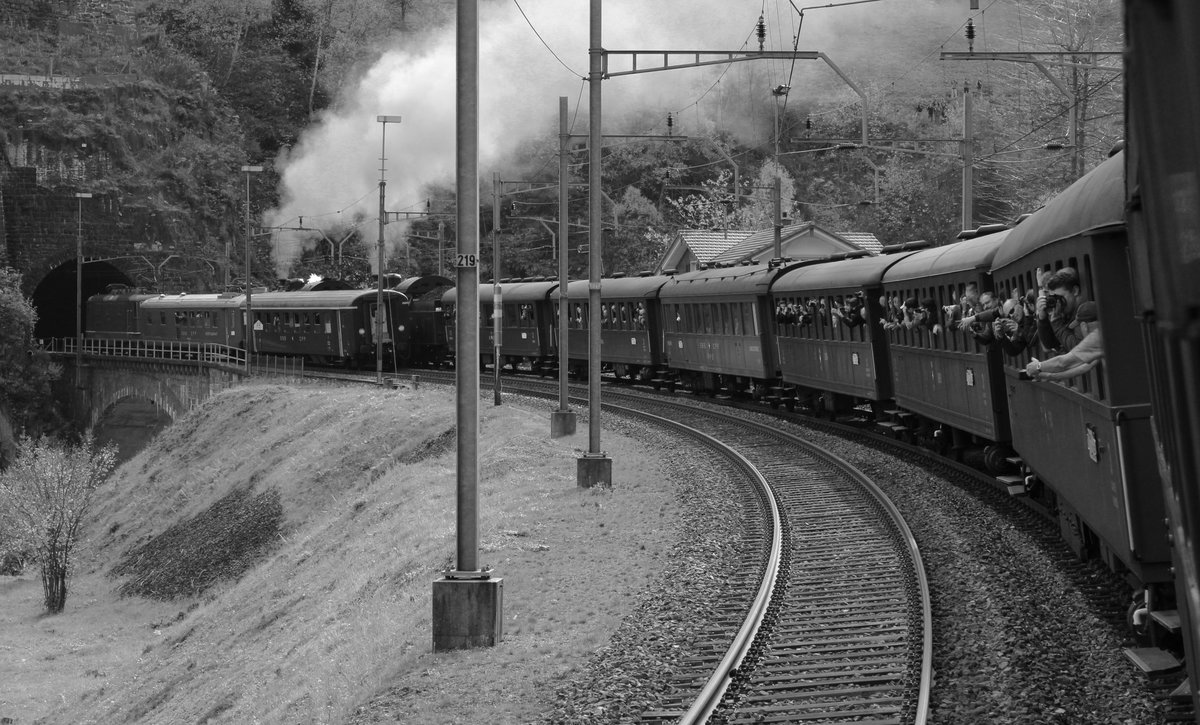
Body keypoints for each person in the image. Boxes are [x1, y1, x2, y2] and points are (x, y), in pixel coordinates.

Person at [1025, 302, 1102, 381]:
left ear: (1084, 326)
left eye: (1078, 327)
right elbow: (1083, 367)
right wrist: (1047, 375)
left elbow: (1063, 363)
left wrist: (1038, 367)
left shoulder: (1097, 337)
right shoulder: (1103, 335)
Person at [1036, 266, 1088, 352]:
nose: (1058, 302)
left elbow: (1079, 350)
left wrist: (1057, 324)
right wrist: (1042, 318)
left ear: (1075, 291)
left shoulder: (1084, 312)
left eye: (1061, 297)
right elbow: (1050, 344)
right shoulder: (1067, 312)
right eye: (1055, 298)